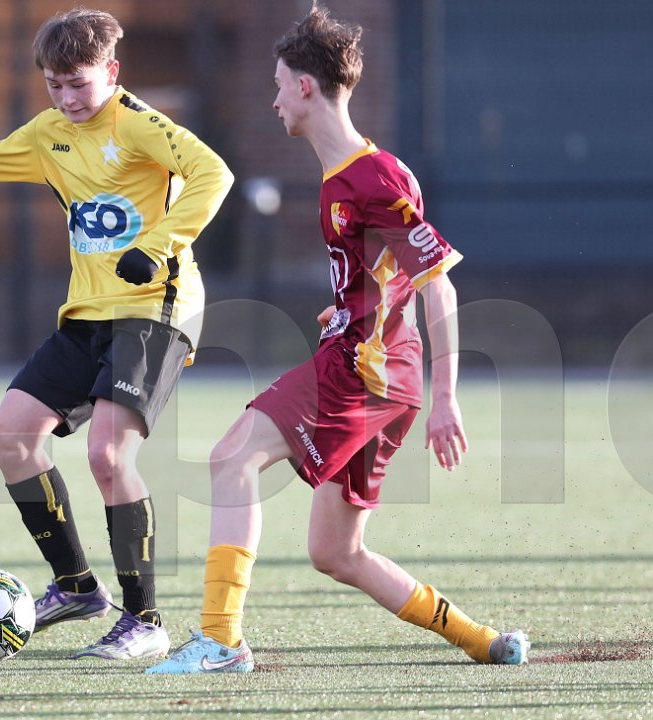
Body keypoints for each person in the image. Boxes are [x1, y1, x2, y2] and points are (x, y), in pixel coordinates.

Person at [147, 4, 529, 674]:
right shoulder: (342, 178)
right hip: (378, 371)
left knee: (230, 458)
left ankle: (220, 641)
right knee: (336, 553)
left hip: (365, 373)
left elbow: (436, 284)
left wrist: (447, 397)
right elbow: (388, 279)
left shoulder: (373, 177)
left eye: (277, 86)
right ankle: (482, 640)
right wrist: (348, 310)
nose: (272, 101)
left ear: (304, 86)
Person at [0, 7, 233, 661]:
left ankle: (145, 621)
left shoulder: (140, 125)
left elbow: (212, 173)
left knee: (108, 457)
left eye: (78, 83)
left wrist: (158, 245)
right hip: (86, 314)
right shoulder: (47, 133)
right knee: (9, 437)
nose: (66, 98)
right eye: (54, 85)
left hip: (154, 310)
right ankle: (77, 587)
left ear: (111, 71)